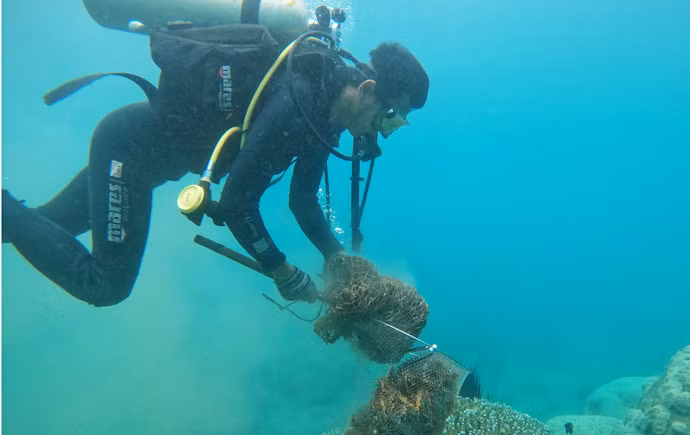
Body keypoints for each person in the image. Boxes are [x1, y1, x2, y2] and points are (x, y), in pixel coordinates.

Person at [2, 40, 429, 307]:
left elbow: (302, 200)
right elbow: (238, 204)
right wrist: (281, 270)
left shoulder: (327, 114)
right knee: (107, 284)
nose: (385, 132)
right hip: (128, 151)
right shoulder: (297, 101)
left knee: (39, 224)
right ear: (369, 90)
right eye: (390, 116)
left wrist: (335, 255)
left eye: (398, 125)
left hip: (141, 158)